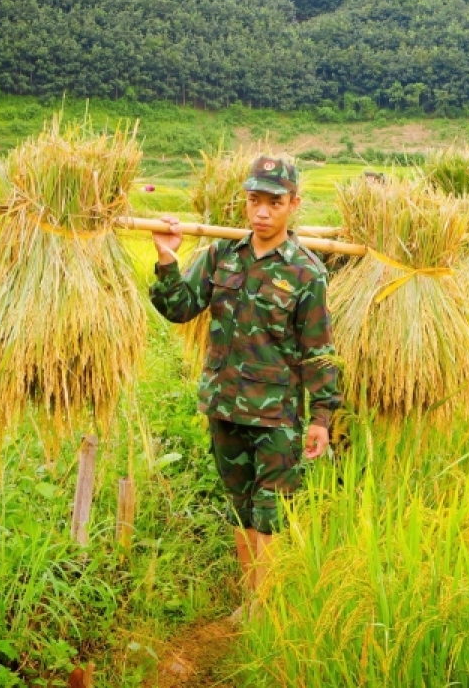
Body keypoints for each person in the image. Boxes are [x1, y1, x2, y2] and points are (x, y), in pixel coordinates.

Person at [148, 155, 338, 618]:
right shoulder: (221, 255)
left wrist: (321, 418)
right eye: (255, 201)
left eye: (274, 202)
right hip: (224, 406)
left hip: (276, 417)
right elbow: (179, 307)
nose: (262, 213)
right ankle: (247, 600)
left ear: (294, 204)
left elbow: (318, 350)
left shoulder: (306, 272)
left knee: (270, 514)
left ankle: (263, 605)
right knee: (241, 509)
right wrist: (167, 256)